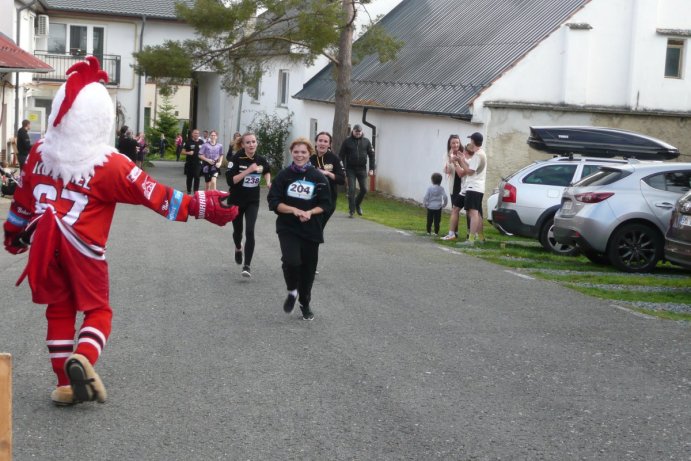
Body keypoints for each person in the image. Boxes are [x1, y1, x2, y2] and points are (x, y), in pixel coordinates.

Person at [2, 56, 238, 406]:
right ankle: (83, 357)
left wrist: (13, 234)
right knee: (98, 311)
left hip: (43, 242)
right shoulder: (110, 164)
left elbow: (21, 201)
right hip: (83, 248)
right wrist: (200, 206)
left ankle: (65, 383)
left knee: (59, 310)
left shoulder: (38, 152)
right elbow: (158, 197)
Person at [267, 137, 331, 321]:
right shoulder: (284, 175)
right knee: (292, 261)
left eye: (303, 152)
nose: (300, 155)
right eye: (296, 152)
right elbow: (273, 202)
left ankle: (305, 302)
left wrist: (310, 212)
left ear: (309, 153)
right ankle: (292, 291)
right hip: (288, 227)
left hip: (311, 229)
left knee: (308, 270)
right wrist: (293, 210)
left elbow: (326, 204)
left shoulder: (318, 177)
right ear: (291, 153)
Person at [226, 132, 272, 277]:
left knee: (250, 231)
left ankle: (247, 266)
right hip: (236, 200)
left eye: (253, 142)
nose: (251, 145)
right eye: (248, 142)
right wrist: (248, 170)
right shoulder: (236, 158)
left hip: (253, 200)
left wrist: (268, 181)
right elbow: (231, 181)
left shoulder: (260, 159)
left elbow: (267, 170)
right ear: (243, 144)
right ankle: (238, 247)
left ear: (257, 143)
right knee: (238, 232)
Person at [458, 132, 487, 245]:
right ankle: (480, 238)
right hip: (479, 187)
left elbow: (470, 172)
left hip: (473, 187)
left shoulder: (477, 155)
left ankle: (470, 240)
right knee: (477, 214)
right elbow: (471, 165)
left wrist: (461, 161)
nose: (470, 142)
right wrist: (463, 159)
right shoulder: (481, 153)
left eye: (471, 140)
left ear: (473, 141)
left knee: (473, 213)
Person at [339, 124, 374, 218]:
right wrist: (343, 168)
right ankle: (352, 210)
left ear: (362, 132)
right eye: (356, 132)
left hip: (362, 169)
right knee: (352, 189)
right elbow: (341, 155)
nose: (358, 133)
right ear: (353, 132)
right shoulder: (347, 141)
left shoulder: (366, 141)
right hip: (350, 169)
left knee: (364, 189)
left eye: (359, 132)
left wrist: (371, 168)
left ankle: (357, 204)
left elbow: (371, 155)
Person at [310, 131, 344, 226]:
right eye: (320, 140)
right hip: (310, 198)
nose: (322, 143)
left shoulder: (335, 159)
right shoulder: (309, 157)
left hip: (328, 199)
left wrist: (327, 173)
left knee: (318, 227)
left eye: (325, 141)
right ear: (316, 142)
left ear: (329, 144)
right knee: (309, 227)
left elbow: (341, 179)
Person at [441, 134, 464, 241]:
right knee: (455, 209)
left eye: (457, 142)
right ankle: (455, 232)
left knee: (462, 209)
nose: (455, 145)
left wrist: (457, 160)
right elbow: (447, 170)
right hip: (453, 185)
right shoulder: (447, 155)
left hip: (463, 184)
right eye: (453, 143)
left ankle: (470, 233)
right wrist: (450, 160)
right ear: (449, 144)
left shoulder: (463, 154)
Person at [183, 129, 204, 194]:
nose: (196, 134)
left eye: (197, 133)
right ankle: (189, 190)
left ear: (199, 134)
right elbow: (182, 151)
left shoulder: (201, 142)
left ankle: (196, 192)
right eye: (195, 133)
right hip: (189, 163)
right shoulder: (188, 141)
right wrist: (189, 153)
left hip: (198, 163)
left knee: (197, 177)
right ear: (192, 134)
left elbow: (204, 151)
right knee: (189, 177)